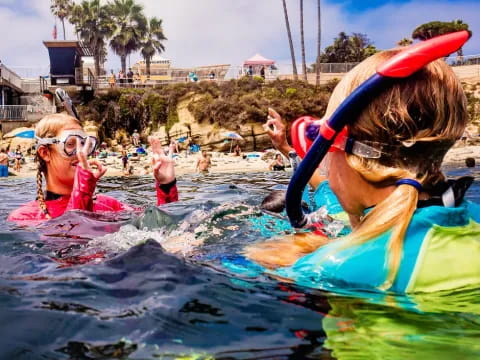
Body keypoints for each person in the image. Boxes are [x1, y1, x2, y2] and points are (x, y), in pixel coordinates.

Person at [245, 47, 480, 293]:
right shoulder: (468, 215)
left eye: (323, 143)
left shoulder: (331, 267)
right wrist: (285, 148)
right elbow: (324, 183)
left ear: (342, 146)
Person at [8, 113, 178, 225]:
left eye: (85, 144)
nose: (81, 153)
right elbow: (74, 245)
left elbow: (164, 228)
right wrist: (83, 188)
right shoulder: (25, 217)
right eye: (70, 145)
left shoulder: (110, 204)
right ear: (45, 152)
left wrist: (166, 187)